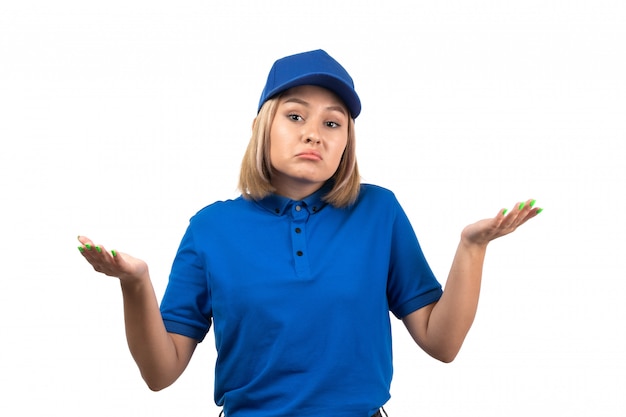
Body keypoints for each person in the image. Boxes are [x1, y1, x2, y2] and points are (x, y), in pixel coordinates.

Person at [77, 49, 542, 417]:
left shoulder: (379, 211)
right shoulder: (210, 229)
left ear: (346, 142)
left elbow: (441, 344)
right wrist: (134, 284)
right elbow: (161, 373)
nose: (314, 134)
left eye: (332, 122)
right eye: (295, 116)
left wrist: (471, 247)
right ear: (262, 127)